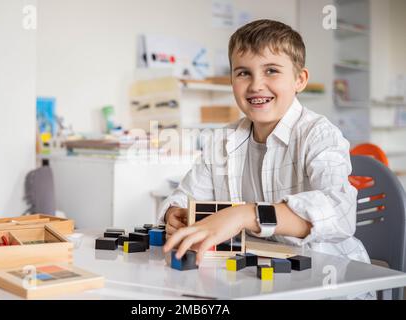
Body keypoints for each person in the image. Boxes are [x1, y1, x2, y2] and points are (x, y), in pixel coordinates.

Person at [159, 20, 371, 278]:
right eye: (243, 73)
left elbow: (339, 212)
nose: (256, 84)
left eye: (271, 70)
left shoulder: (319, 134)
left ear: (300, 80)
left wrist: (245, 215)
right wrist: (174, 213)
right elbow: (185, 195)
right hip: (253, 275)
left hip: (326, 276)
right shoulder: (222, 140)